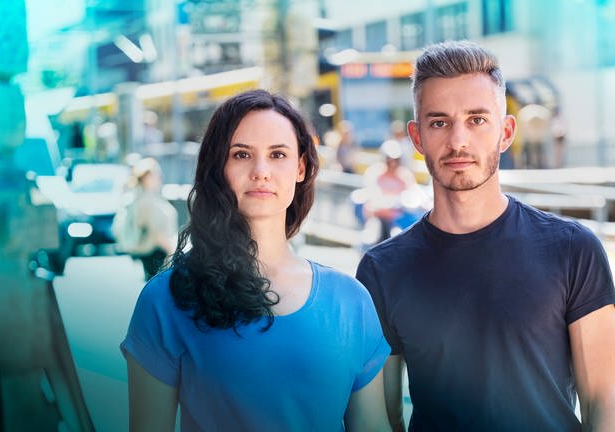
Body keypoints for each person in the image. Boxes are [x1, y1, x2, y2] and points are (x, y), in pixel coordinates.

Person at [355, 40, 615, 431]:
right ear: (417, 136)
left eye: (477, 120)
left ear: (506, 131)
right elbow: (379, 420)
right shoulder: (381, 270)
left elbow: (604, 403)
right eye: (439, 122)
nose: (458, 140)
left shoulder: (573, 249)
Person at [121, 89, 392, 431]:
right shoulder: (166, 299)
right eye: (241, 154)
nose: (261, 171)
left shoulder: (351, 301)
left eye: (278, 154)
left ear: (300, 168)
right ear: (218, 167)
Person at [360, 139, 428, 245]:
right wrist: (391, 202)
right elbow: (373, 197)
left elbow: (415, 193)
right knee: (370, 240)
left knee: (398, 240)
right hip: (377, 217)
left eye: (396, 160)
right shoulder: (375, 173)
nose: (392, 163)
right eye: (389, 159)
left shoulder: (404, 175)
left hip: (397, 219)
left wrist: (424, 203)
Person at [123, 157, 179, 280]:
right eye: (156, 174)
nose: (159, 177)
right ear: (146, 178)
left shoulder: (151, 198)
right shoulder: (146, 201)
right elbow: (155, 232)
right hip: (157, 254)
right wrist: (173, 252)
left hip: (158, 253)